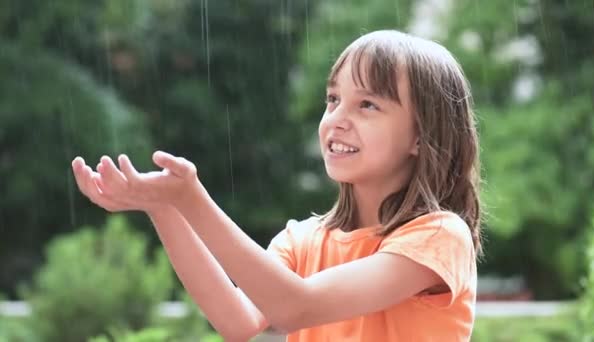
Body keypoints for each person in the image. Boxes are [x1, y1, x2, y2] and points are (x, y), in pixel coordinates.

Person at [72, 30, 482, 341]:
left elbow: (294, 306)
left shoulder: (439, 237)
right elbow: (237, 320)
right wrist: (165, 207)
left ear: (420, 137)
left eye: (368, 105)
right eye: (333, 99)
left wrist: (192, 199)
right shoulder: (302, 240)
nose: (337, 118)